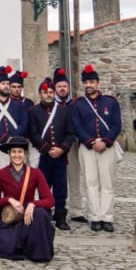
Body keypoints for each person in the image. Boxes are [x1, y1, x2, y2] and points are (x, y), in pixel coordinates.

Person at [70, 64, 122, 232]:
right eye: (86, 82)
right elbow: (77, 126)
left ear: (98, 83)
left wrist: (105, 142)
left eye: (92, 82)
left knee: (107, 184)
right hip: (87, 147)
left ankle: (107, 217)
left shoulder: (111, 102)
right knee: (90, 183)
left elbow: (116, 125)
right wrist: (91, 142)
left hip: (107, 146)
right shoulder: (77, 104)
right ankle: (94, 217)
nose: (89, 85)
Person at [0, 137, 55, 262]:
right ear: (9, 153)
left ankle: (39, 253)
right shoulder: (1, 173)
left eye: (20, 152)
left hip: (28, 216)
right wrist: (8, 199)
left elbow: (50, 200)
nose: (17, 155)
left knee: (41, 214)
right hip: (9, 216)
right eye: (14, 152)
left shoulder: (35, 173)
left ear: (24, 154)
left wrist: (32, 204)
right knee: (7, 244)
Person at [27, 78, 77, 231]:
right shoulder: (33, 111)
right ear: (40, 94)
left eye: (50, 92)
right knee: (44, 188)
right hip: (44, 156)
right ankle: (45, 215)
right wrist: (47, 148)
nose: (48, 95)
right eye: (45, 92)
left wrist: (62, 149)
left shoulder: (63, 111)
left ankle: (60, 216)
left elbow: (70, 133)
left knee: (61, 189)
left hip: (60, 157)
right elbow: (33, 134)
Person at [52, 67, 86, 224]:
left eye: (64, 86)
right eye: (59, 86)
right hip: (55, 147)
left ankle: (76, 210)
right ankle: (55, 207)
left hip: (71, 146)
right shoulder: (50, 105)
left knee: (74, 178)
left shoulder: (75, 104)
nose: (62, 89)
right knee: (55, 180)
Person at [0, 65, 30, 177]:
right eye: (3, 84)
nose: (6, 86)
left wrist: (13, 138)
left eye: (8, 84)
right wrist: (5, 138)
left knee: (18, 178)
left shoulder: (18, 104)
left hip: (15, 146)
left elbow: (24, 123)